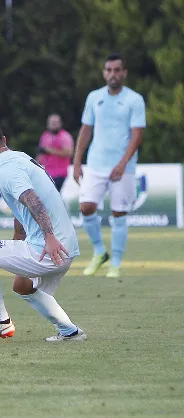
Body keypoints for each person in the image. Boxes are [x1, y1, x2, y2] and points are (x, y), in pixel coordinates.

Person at [0, 117, 86, 342]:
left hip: (49, 248)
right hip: (66, 247)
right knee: (22, 284)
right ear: (4, 140)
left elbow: (31, 199)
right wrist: (18, 240)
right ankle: (70, 332)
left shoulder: (6, 169)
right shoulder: (19, 158)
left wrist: (48, 237)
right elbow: (22, 207)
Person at [72, 53, 145, 278]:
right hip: (95, 164)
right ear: (104, 73)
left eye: (117, 70)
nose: (113, 74)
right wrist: (76, 161)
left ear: (124, 73)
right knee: (85, 207)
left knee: (119, 213)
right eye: (109, 70)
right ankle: (99, 252)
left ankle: (115, 263)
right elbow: (86, 130)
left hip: (123, 167)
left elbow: (136, 136)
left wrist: (122, 164)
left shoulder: (135, 100)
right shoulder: (94, 97)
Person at [37, 113, 73, 191]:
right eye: (51, 123)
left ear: (60, 123)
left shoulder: (64, 136)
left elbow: (69, 153)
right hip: (47, 172)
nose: (53, 125)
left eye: (55, 123)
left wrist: (50, 151)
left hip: (60, 172)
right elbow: (41, 153)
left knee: (52, 193)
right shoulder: (45, 136)